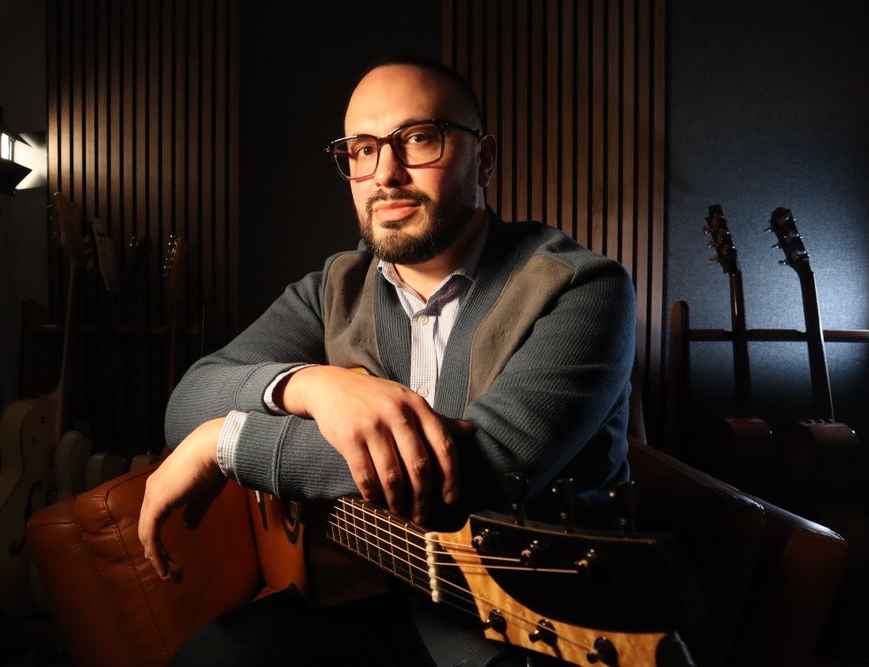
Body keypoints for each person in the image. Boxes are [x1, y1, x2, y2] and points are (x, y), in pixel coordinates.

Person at [138, 55, 636, 666]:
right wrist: (314, 386)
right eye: (362, 149)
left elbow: (477, 469)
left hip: (536, 621)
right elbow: (189, 399)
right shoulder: (333, 287)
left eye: (419, 140)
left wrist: (226, 442)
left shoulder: (584, 288)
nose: (386, 174)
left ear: (484, 160)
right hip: (373, 594)